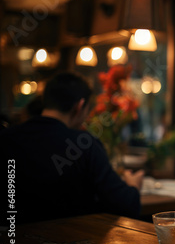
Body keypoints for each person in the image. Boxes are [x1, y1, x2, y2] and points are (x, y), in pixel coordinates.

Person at [0, 72, 144, 224]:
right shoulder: (84, 144)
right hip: (70, 243)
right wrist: (133, 186)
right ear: (80, 106)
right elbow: (125, 205)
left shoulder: (6, 137)